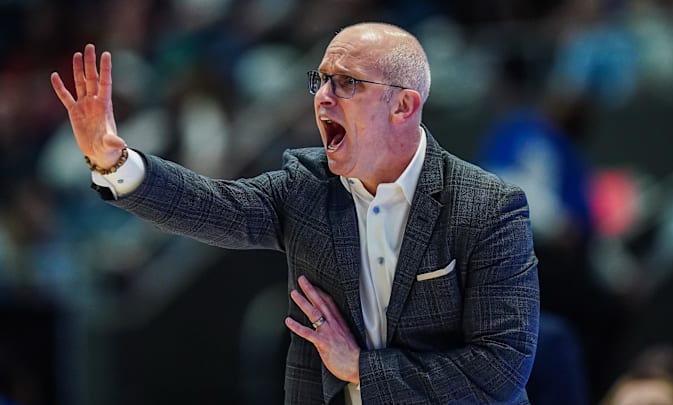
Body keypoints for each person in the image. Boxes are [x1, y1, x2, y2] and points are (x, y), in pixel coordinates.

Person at [50, 22, 540, 404]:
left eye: (346, 83)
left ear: (403, 105)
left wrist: (361, 369)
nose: (323, 97)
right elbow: (213, 207)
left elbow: (498, 369)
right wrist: (114, 162)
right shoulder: (307, 186)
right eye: (320, 80)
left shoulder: (487, 208)